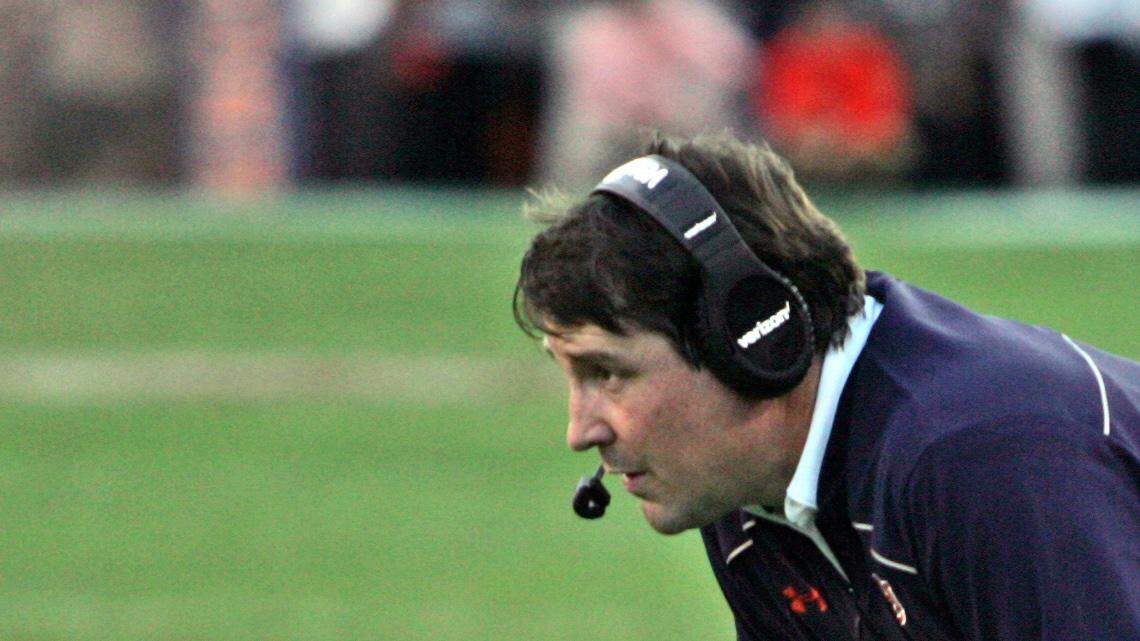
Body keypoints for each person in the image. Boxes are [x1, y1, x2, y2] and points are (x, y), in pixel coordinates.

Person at [512, 130, 1140, 641]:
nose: (580, 430)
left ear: (753, 340)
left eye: (609, 374)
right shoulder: (748, 483)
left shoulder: (981, 457)